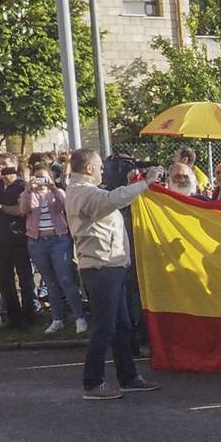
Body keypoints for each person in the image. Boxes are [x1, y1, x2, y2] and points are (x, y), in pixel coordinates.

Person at [65, 149, 162, 400]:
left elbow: (112, 197)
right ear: (88, 169)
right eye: (98, 167)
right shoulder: (83, 193)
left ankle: (128, 376)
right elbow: (112, 200)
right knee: (104, 327)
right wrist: (145, 183)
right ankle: (92, 382)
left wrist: (134, 185)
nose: (102, 171)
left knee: (121, 326)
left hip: (110, 265)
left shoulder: (85, 191)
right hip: (100, 267)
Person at [21, 166, 86, 334]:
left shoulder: (56, 193)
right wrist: (28, 191)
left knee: (65, 280)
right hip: (37, 241)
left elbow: (64, 205)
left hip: (58, 240)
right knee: (50, 282)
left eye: (43, 177)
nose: (40, 181)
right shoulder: (29, 194)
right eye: (37, 177)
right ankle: (57, 319)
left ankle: (80, 317)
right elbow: (23, 209)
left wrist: (54, 187)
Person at [0, 153, 37, 330]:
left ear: (14, 166)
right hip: (1, 239)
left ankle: (29, 314)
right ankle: (13, 317)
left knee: (24, 278)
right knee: (5, 280)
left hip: (19, 238)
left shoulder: (21, 186)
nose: (1, 167)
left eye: (4, 164)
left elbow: (20, 210)